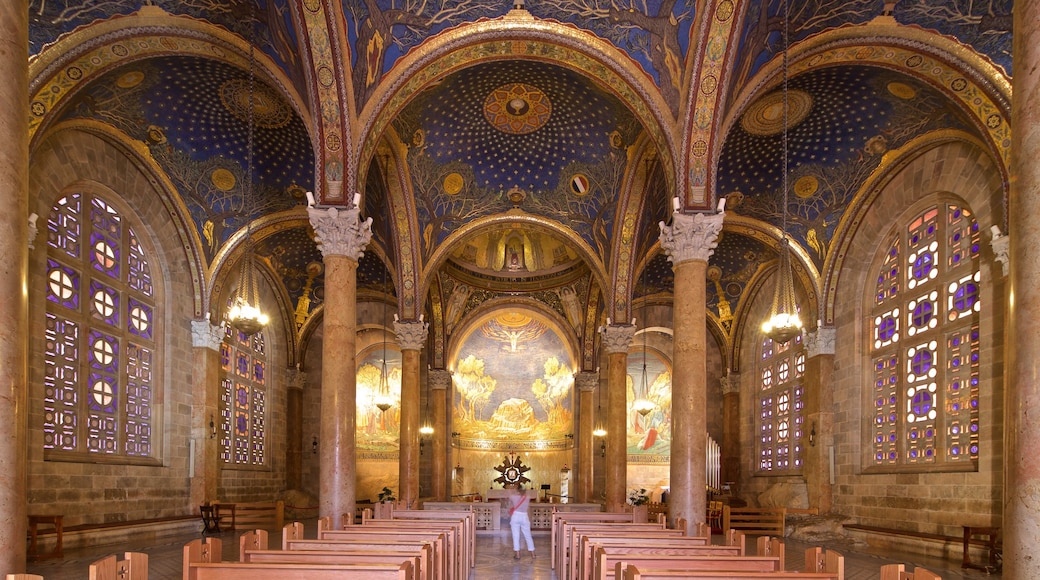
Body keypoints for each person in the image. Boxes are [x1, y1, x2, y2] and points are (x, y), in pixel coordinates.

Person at [508, 485, 535, 559]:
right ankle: (533, 554)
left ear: (518, 490)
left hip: (516, 516)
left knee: (516, 536)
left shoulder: (514, 497)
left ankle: (518, 554)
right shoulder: (528, 497)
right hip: (524, 516)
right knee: (528, 536)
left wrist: (513, 489)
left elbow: (509, 494)